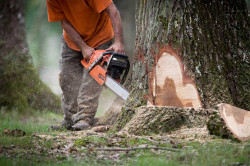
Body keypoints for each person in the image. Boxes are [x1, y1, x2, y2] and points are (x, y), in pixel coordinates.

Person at [46, 0, 125, 130]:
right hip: (72, 39)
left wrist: (119, 43)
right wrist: (83, 47)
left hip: (101, 36)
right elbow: (64, 22)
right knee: (67, 78)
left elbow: (113, 11)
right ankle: (69, 120)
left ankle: (84, 118)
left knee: (92, 79)